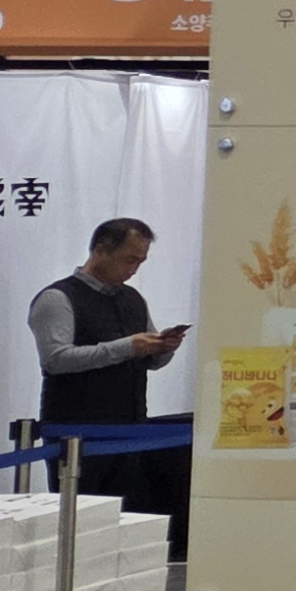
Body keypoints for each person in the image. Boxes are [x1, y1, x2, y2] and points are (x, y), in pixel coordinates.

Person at [32, 216, 187, 539]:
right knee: (81, 529)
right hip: (76, 435)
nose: (134, 269)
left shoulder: (133, 299)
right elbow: (56, 359)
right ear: (101, 250)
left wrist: (163, 348)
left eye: (141, 261)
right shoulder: (57, 298)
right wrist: (127, 347)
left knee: (127, 528)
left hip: (130, 431)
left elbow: (149, 362)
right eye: (129, 259)